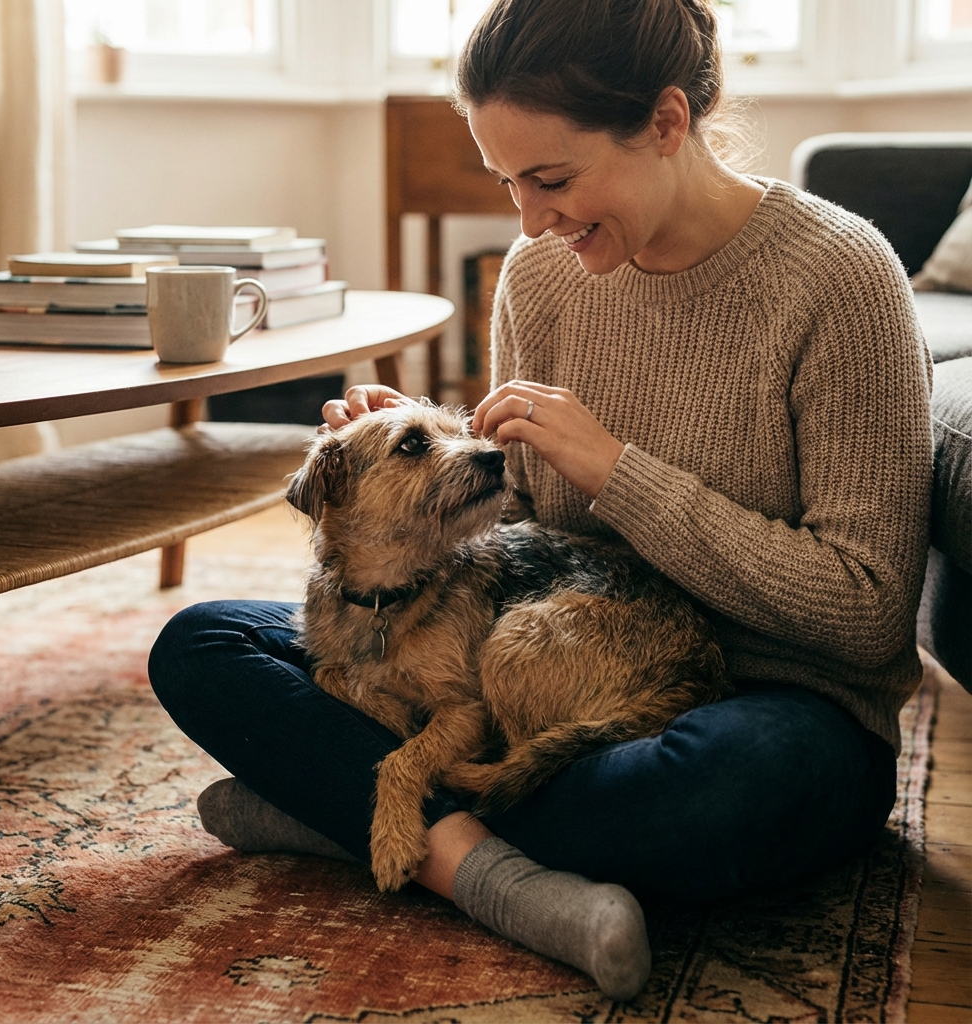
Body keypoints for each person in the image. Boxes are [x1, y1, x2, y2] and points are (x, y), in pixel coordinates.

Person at [148, 0, 932, 999]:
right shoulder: (541, 273)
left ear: (662, 122)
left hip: (771, 699)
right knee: (201, 644)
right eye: (507, 181)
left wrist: (621, 472)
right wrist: (425, 480)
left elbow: (866, 613)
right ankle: (479, 863)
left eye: (552, 179)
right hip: (532, 666)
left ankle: (336, 812)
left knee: (685, 805)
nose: (528, 219)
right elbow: (516, 536)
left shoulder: (840, 275)